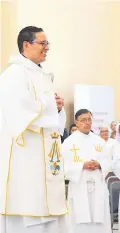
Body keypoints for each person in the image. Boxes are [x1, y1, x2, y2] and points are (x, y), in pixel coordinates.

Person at [0, 26, 67, 233]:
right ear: (26, 45)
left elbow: (51, 115)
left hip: (45, 157)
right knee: (31, 215)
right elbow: (19, 110)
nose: (47, 48)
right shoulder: (14, 74)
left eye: (48, 44)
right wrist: (50, 104)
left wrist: (58, 107)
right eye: (43, 43)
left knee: (47, 215)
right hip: (27, 159)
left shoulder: (42, 75)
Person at [62, 109, 111, 233]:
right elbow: (64, 166)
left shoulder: (99, 141)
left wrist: (99, 164)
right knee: (80, 223)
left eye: (89, 119)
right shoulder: (68, 143)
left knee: (100, 220)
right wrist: (82, 165)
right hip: (79, 187)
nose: (87, 122)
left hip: (98, 187)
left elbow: (108, 162)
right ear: (76, 123)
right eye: (83, 120)